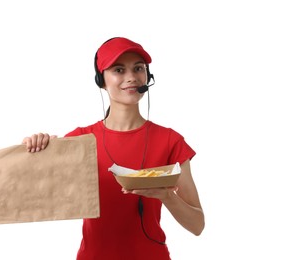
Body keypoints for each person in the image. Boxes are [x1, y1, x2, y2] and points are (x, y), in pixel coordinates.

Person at [22, 37, 205, 260]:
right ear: (101, 80)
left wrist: (167, 197)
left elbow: (197, 226)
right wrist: (37, 148)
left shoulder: (170, 141)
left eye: (138, 68)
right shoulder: (80, 140)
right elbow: (38, 194)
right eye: (119, 70)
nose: (131, 77)